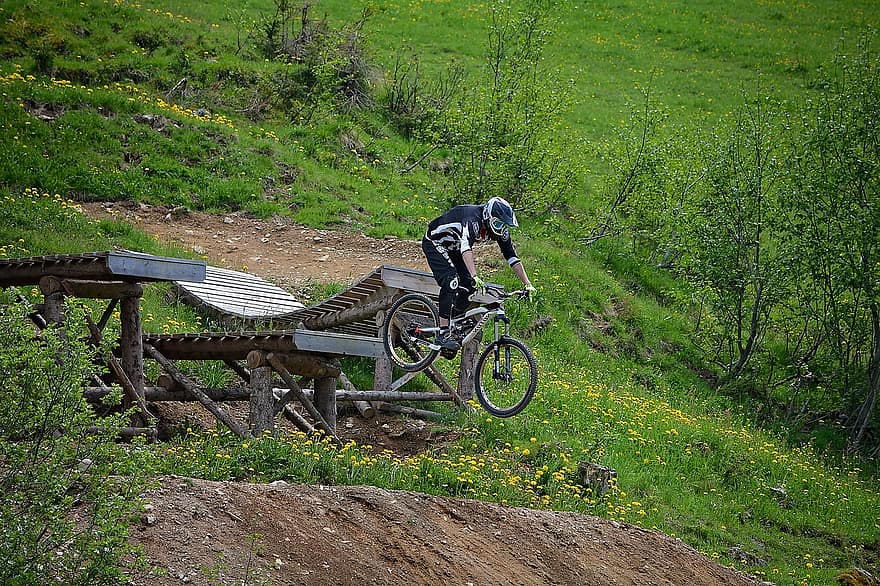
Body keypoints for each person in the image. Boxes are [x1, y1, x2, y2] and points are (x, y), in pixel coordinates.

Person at [422, 196, 536, 350]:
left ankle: (453, 320)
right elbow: (465, 248)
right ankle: (442, 334)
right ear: (488, 217)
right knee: (451, 281)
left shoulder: (501, 231)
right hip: (435, 242)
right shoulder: (473, 219)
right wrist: (475, 275)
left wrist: (527, 283)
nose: (500, 228)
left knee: (469, 286)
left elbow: (512, 256)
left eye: (503, 225)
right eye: (497, 223)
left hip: (453, 246)